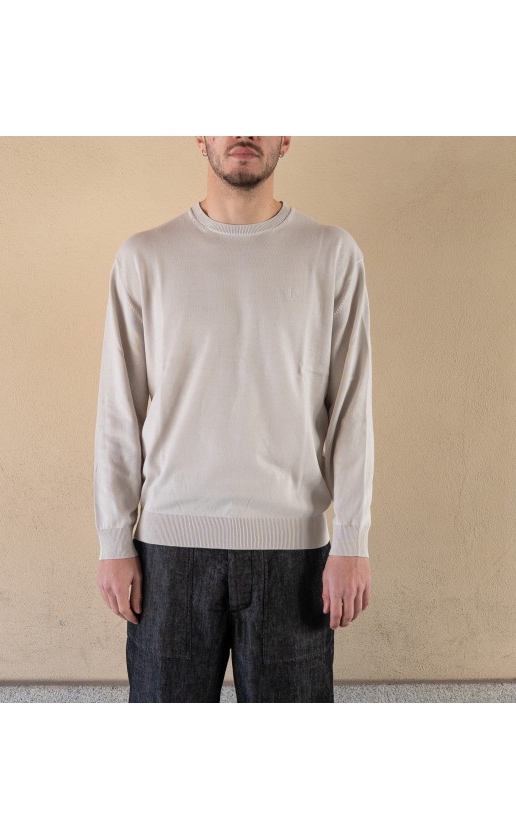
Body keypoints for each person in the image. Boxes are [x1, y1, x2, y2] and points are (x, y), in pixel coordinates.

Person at [93, 136, 374, 702]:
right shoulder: (145, 257)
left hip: (294, 552)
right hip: (168, 553)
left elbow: (351, 408)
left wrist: (353, 539)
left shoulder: (331, 254)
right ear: (200, 135)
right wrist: (113, 541)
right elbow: (118, 412)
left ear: (286, 137)